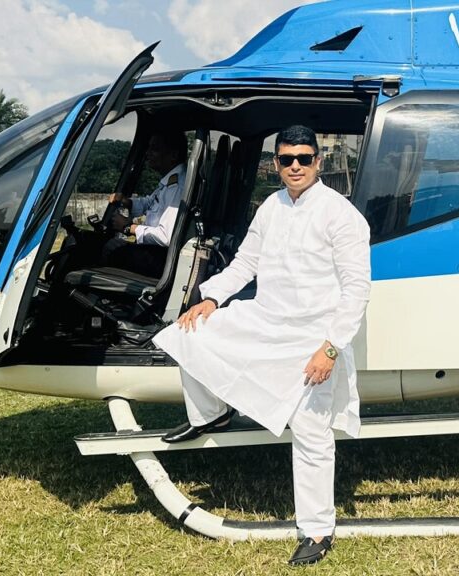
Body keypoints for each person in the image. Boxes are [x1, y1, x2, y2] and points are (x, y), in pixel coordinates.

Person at [152, 125, 371, 566]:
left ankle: (317, 530)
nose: (295, 167)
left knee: (310, 432)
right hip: (268, 320)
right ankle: (211, 414)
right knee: (187, 332)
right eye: (287, 159)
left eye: (304, 159)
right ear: (276, 164)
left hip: (314, 334)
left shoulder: (340, 214)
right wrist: (212, 297)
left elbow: (357, 289)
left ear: (318, 162)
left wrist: (330, 348)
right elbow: (246, 262)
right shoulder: (271, 206)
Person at [104, 131, 188, 277]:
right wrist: (126, 201)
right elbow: (150, 202)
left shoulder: (177, 186)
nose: (148, 153)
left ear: (173, 155)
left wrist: (128, 227)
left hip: (160, 258)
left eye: (155, 149)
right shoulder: (169, 182)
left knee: (110, 249)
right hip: (155, 252)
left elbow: (165, 236)